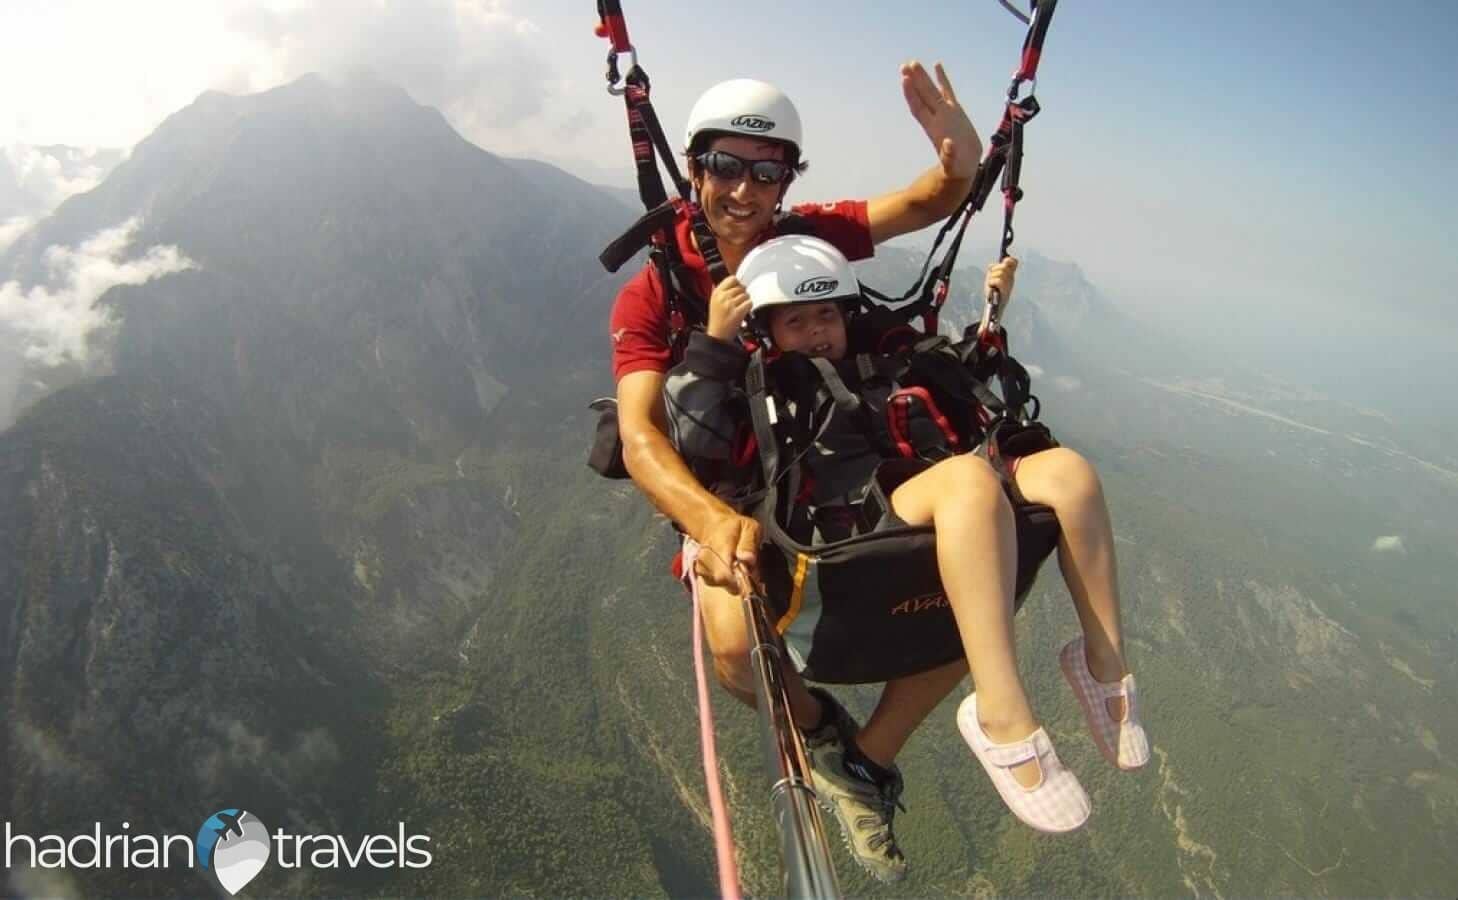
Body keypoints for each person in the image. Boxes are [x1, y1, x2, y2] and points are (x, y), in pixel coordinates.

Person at [609, 63, 981, 881]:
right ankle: (820, 731)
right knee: (737, 650)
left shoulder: (810, 239)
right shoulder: (656, 291)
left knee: (973, 594)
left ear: (787, 181)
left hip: (835, 468)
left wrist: (959, 158)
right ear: (694, 168)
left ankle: (864, 760)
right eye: (725, 167)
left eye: (767, 172)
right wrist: (709, 522)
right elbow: (640, 438)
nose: (744, 191)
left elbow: (928, 200)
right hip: (732, 491)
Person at [664, 234, 1151, 836]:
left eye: (826, 315)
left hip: (927, 507)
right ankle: (1002, 714)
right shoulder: (759, 386)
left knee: (1070, 474)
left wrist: (991, 321)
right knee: (970, 481)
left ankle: (1103, 662)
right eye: (796, 322)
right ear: (766, 332)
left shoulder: (881, 359)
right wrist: (714, 345)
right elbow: (696, 439)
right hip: (849, 540)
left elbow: (955, 384)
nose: (817, 332)